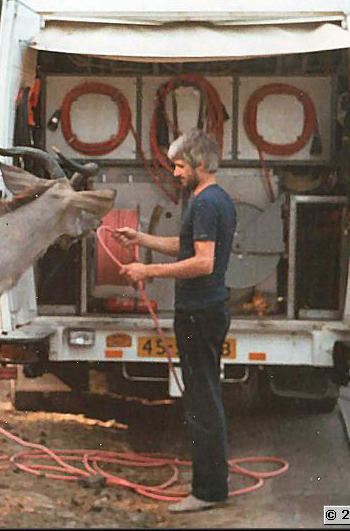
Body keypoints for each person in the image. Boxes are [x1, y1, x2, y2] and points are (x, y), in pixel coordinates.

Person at [112, 128, 236, 513]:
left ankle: (208, 492)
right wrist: (141, 239)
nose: (176, 173)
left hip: (200, 313)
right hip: (206, 310)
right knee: (204, 398)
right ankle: (210, 482)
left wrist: (149, 273)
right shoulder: (211, 199)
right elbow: (187, 247)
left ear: (200, 164)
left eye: (181, 166)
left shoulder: (204, 204)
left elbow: (203, 262)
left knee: (202, 402)